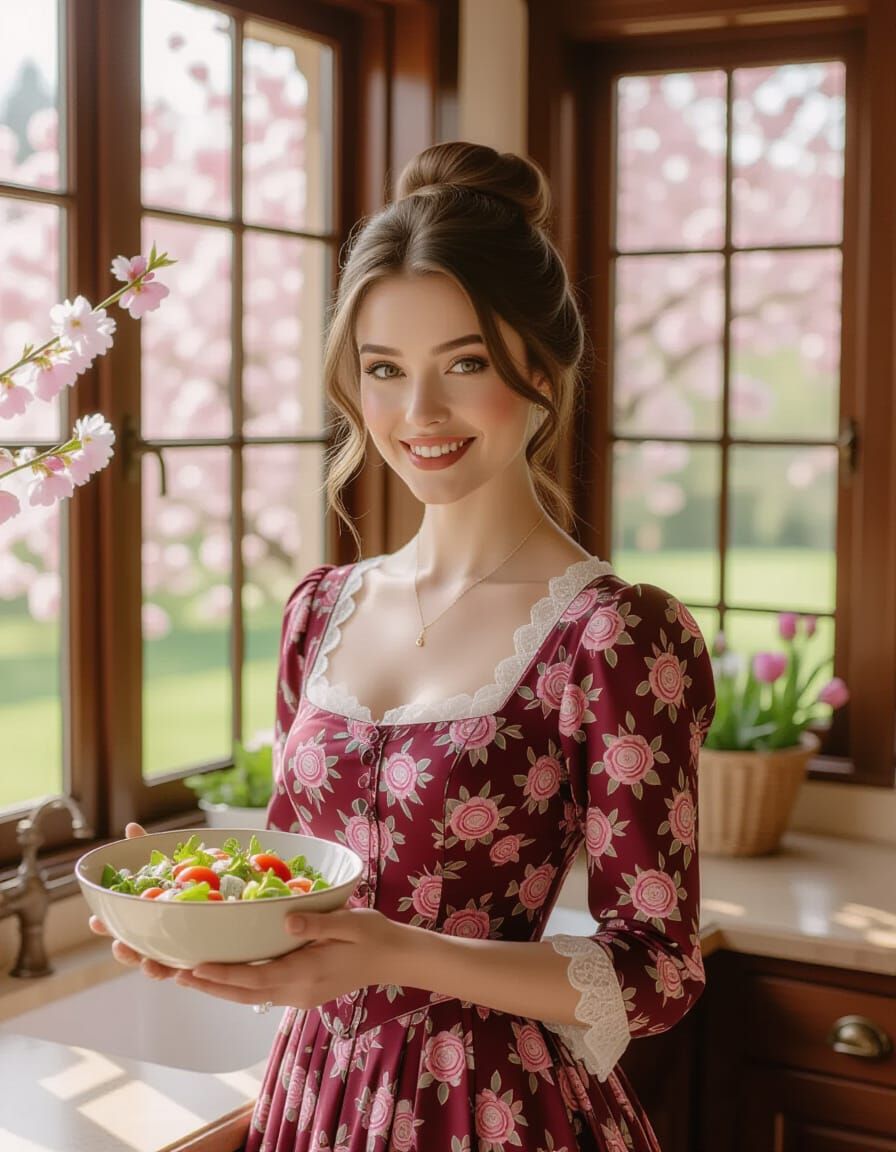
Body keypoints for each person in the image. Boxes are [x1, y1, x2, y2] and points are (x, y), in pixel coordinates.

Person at [91, 141, 717, 1152]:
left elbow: (655, 976)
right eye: (383, 370)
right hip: (313, 1101)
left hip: (498, 1112)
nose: (417, 415)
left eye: (463, 365)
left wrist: (391, 954)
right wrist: (184, 901)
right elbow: (300, 891)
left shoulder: (614, 635)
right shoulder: (319, 609)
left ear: (541, 366)